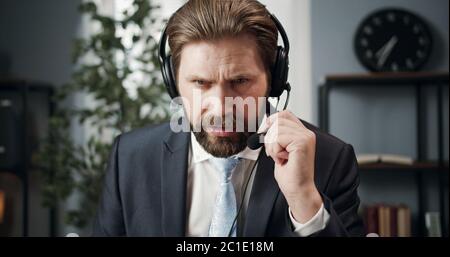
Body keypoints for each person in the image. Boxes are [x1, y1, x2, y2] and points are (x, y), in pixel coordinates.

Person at [92, 0, 365, 237]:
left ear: (274, 81)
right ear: (174, 84)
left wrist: (304, 197)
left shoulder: (330, 159)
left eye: (241, 81)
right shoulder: (129, 157)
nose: (221, 107)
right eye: (200, 82)